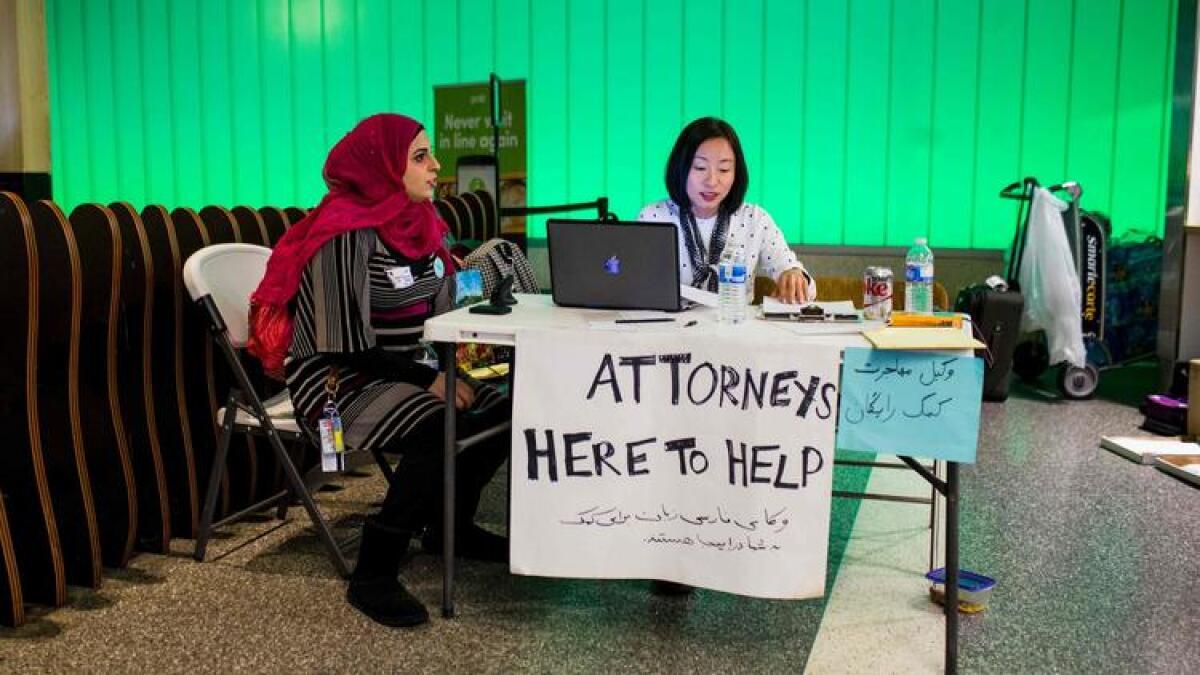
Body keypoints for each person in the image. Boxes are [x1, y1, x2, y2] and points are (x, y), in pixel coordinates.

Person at [249, 114, 510, 628]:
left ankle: (450, 527)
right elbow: (346, 346)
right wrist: (435, 380)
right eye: (419, 157)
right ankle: (374, 572)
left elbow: (442, 307)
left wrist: (479, 338)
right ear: (383, 167)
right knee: (438, 423)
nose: (435, 166)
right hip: (337, 379)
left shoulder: (422, 224)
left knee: (507, 393)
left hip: (408, 364)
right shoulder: (343, 235)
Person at [638, 116, 816, 304]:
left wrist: (794, 275)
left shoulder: (754, 219)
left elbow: (805, 286)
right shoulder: (653, 217)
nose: (712, 181)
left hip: (734, 327)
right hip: (667, 331)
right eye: (700, 167)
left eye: (724, 170)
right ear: (681, 168)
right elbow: (631, 286)